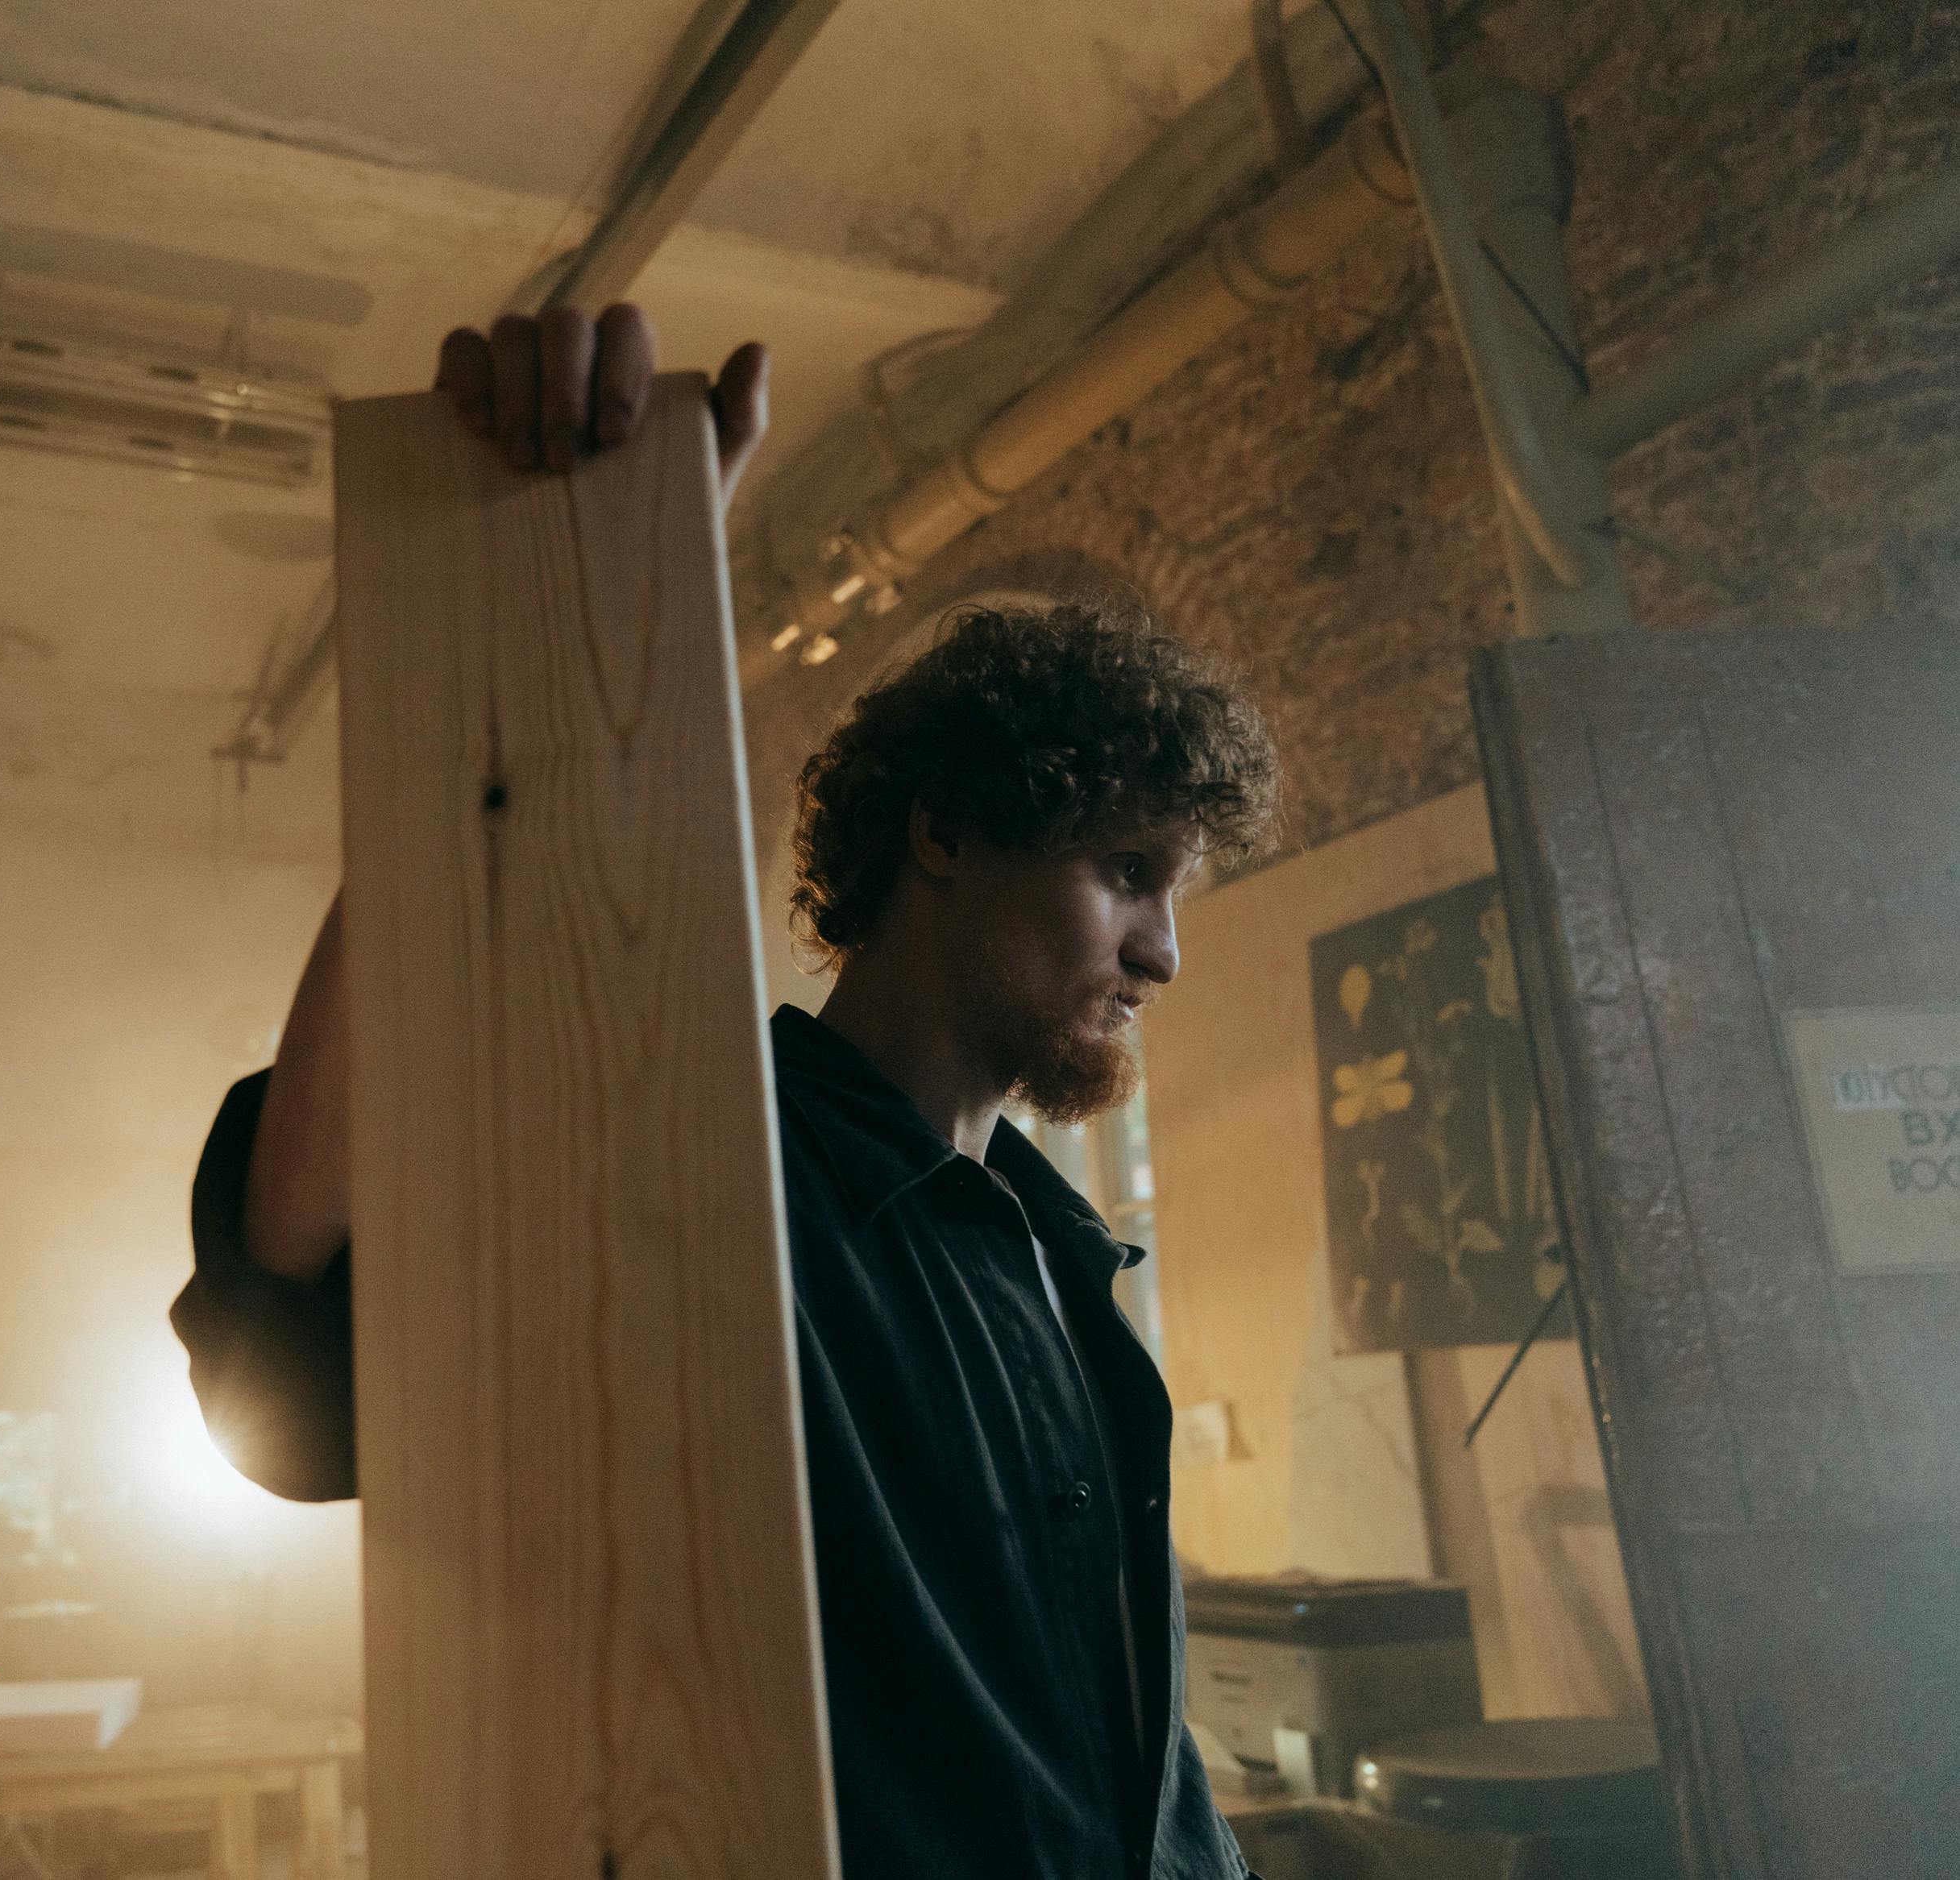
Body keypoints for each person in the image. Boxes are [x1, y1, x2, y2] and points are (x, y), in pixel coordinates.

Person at [170, 304, 1280, 1880]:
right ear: (945, 835)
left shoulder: (1056, 1254)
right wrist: (521, 627)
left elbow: (1115, 1756)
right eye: (1124, 874)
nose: (1162, 951)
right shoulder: (693, 1148)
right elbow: (290, 1371)